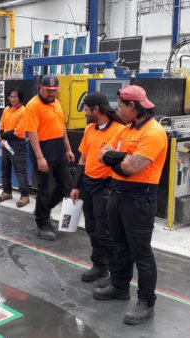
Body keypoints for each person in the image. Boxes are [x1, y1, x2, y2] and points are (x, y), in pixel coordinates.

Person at [94, 85, 167, 325]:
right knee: (119, 246)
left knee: (141, 253)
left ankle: (146, 302)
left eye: (121, 106)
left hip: (139, 198)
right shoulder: (126, 130)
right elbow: (101, 154)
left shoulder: (153, 133)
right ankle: (119, 285)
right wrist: (118, 158)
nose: (118, 110)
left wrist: (116, 158)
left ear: (132, 106)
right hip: (117, 194)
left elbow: (132, 168)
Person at [69, 92, 123, 284]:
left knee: (106, 231)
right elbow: (83, 159)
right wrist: (76, 186)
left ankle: (116, 274)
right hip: (88, 185)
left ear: (96, 109)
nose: (84, 113)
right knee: (92, 228)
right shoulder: (90, 129)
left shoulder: (119, 131)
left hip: (106, 187)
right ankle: (99, 266)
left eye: (85, 109)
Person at [23, 74, 75, 241]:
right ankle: (42, 223)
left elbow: (62, 127)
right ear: (41, 88)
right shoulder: (33, 106)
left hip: (58, 150)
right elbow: (32, 133)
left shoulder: (56, 103)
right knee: (46, 189)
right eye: (48, 90)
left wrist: (68, 149)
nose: (52, 94)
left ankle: (42, 210)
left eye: (54, 90)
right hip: (43, 151)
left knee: (67, 185)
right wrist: (39, 158)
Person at [0, 88, 30, 208]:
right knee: (5, 168)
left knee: (20, 170)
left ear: (20, 98)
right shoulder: (6, 110)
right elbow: (2, 125)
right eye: (10, 96)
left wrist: (1, 136)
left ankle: (25, 196)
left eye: (15, 97)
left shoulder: (24, 111)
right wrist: (2, 137)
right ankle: (7, 192)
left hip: (17, 143)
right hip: (6, 143)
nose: (12, 99)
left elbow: (18, 131)